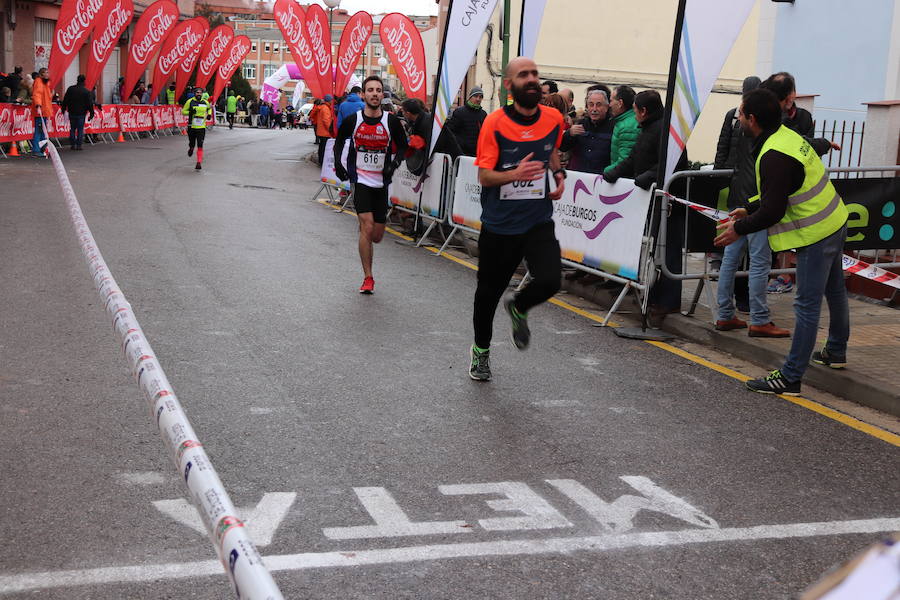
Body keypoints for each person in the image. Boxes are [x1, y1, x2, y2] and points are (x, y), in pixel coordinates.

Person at [714, 88, 849, 395]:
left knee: (806, 303)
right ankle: (836, 352)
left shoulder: (773, 154)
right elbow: (783, 188)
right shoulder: (784, 137)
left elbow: (774, 210)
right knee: (835, 290)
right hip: (834, 220)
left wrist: (740, 227)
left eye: (740, 112)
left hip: (818, 233)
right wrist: (749, 208)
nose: (737, 117)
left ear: (752, 119)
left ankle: (790, 376)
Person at [468, 56, 566, 382]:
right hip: (500, 225)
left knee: (552, 280)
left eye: (535, 73)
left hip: (538, 219)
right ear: (509, 85)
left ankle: (520, 305)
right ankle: (481, 351)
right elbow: (484, 177)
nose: (532, 79)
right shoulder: (494, 123)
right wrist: (515, 174)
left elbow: (551, 148)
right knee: (487, 295)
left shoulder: (553, 117)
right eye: (524, 75)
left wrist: (559, 173)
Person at [713, 76, 790, 338]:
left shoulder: (740, 122)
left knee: (730, 260)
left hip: (738, 195)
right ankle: (759, 318)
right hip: (756, 201)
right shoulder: (766, 131)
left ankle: (724, 315)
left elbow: (723, 151)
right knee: (759, 262)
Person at [604, 90, 689, 320]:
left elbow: (671, 164)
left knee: (668, 250)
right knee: (654, 250)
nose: (634, 115)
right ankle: (653, 294)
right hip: (651, 200)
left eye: (635, 111)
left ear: (643, 111)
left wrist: (647, 177)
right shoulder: (647, 128)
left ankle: (669, 301)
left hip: (669, 201)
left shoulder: (666, 131)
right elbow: (634, 158)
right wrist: (614, 173)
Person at [759, 72, 839, 294]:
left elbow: (806, 145)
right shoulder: (773, 122)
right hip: (821, 221)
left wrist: (821, 144)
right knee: (828, 292)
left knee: (809, 299)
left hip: (814, 223)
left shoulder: (800, 118)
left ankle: (779, 281)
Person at [333, 75, 408, 294]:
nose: (375, 93)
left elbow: (403, 146)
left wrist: (393, 164)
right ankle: (368, 278)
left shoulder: (390, 121)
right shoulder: (353, 120)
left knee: (377, 235)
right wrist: (338, 163)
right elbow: (339, 141)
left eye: (378, 90)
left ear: (382, 95)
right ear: (364, 94)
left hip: (381, 183)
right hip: (362, 181)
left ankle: (367, 233)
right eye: (370, 90)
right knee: (366, 227)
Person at [561, 89, 614, 174]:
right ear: (587, 107)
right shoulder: (580, 124)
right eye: (591, 105)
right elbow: (563, 147)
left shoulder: (614, 127)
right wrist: (569, 133)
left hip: (601, 179)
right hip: (579, 177)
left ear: (607, 107)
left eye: (599, 105)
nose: (594, 109)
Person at [604, 85, 639, 175]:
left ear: (620, 103)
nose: (609, 104)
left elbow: (625, 161)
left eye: (611, 100)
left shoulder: (627, 127)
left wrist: (606, 172)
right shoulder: (624, 121)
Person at [445, 86, 487, 157]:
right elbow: (450, 132)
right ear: (470, 97)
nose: (478, 99)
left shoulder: (483, 114)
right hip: (462, 154)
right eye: (475, 96)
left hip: (477, 155)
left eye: (480, 97)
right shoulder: (459, 112)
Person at [61, 74, 95, 151]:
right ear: (84, 81)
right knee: (80, 129)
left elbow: (65, 100)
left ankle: (73, 144)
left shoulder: (70, 89)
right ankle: (79, 145)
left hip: (72, 112)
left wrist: (63, 109)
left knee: (72, 128)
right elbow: (89, 104)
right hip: (81, 113)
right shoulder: (86, 91)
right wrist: (91, 113)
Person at [182, 87, 211, 170]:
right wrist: (190, 112)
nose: (199, 94)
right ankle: (191, 148)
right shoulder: (190, 101)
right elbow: (183, 111)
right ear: (194, 93)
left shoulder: (205, 102)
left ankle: (199, 162)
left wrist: (209, 114)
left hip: (201, 127)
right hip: (192, 126)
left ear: (202, 94)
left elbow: (209, 109)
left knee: (200, 144)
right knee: (192, 143)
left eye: (200, 93)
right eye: (197, 93)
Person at [30, 68, 52, 157]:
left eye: (48, 72)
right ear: (41, 74)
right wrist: (38, 105)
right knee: (39, 131)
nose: (47, 74)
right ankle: (36, 150)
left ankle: (42, 149)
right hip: (41, 111)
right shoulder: (39, 82)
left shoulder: (45, 83)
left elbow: (45, 96)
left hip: (44, 111)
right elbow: (37, 94)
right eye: (45, 72)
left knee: (42, 131)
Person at [313, 97, 333, 166]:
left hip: (321, 131)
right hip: (325, 132)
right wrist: (330, 130)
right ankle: (322, 162)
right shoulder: (325, 108)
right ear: (329, 101)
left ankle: (320, 161)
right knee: (324, 148)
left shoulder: (322, 107)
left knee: (321, 147)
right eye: (331, 100)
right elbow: (326, 120)